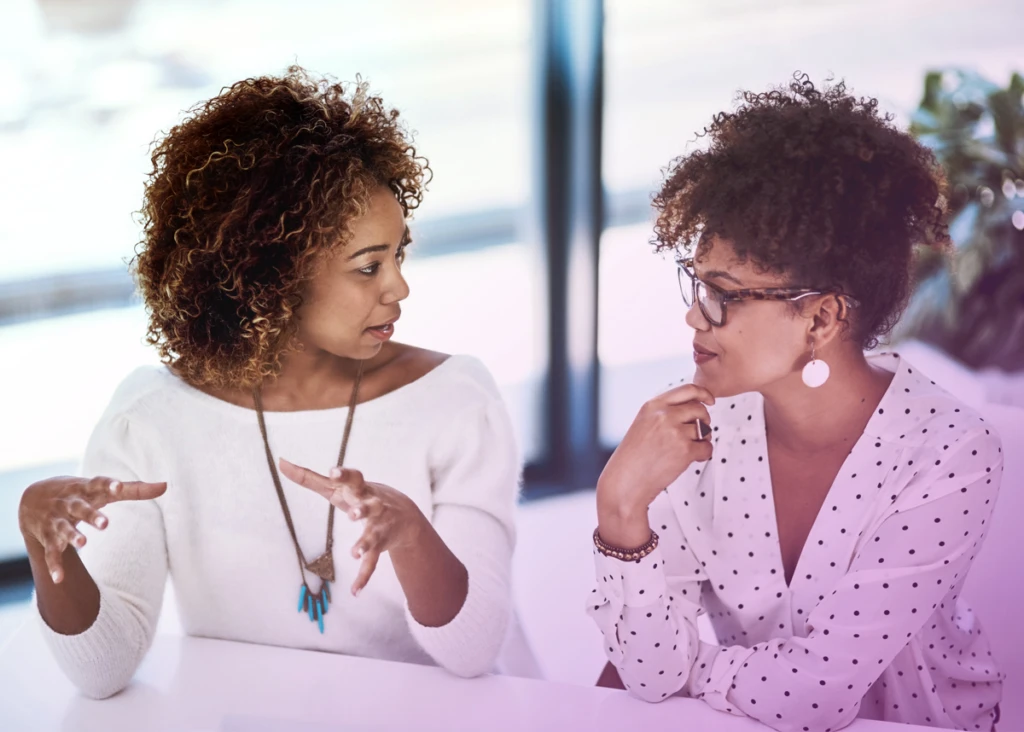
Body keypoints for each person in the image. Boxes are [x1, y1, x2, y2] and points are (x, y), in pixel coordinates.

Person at [18, 67, 519, 699]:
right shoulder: (149, 417)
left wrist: (411, 533)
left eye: (399, 254)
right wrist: (45, 550)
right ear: (271, 274)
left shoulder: (455, 399)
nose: (399, 287)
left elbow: (474, 653)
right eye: (369, 267)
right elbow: (102, 669)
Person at [589, 74, 1003, 731]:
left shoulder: (950, 453)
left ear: (821, 319)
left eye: (724, 295)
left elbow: (814, 697)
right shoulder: (689, 432)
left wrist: (692, 669)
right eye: (696, 285)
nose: (696, 319)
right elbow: (648, 674)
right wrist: (619, 509)